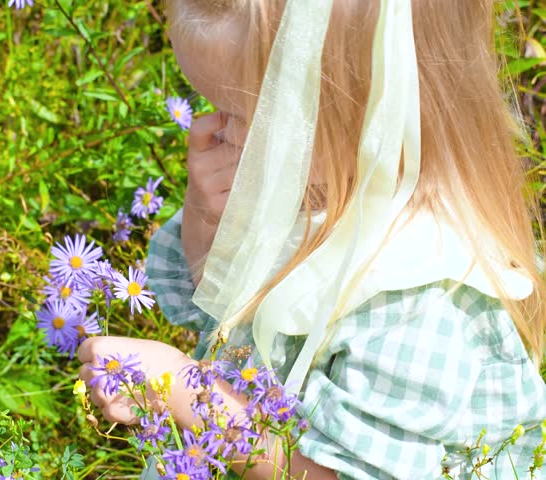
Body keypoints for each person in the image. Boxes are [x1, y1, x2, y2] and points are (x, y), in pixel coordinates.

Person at [77, 0, 546, 479]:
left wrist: (184, 391)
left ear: (369, 108)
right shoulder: (316, 187)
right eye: (212, 105)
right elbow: (212, 303)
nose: (213, 130)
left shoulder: (421, 296)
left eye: (245, 114)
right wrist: (208, 214)